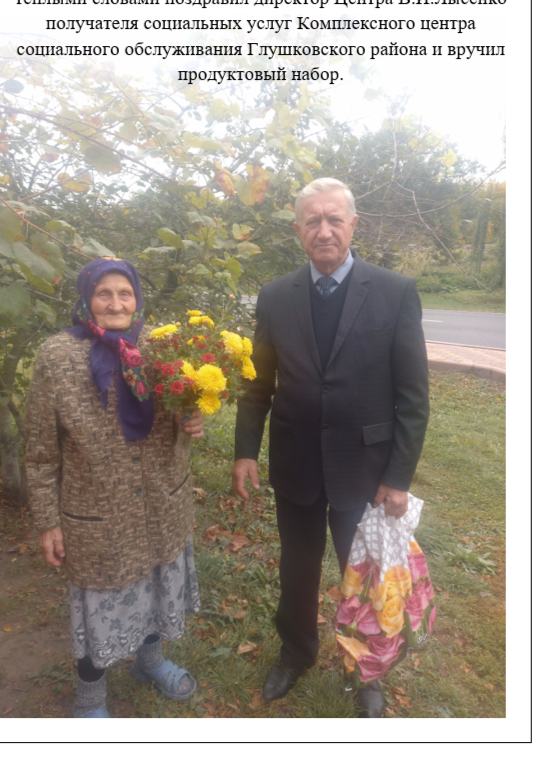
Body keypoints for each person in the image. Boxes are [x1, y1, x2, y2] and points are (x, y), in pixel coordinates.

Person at [232, 178, 430, 717]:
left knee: (364, 573)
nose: (324, 230)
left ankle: (368, 670)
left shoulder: (394, 291)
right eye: (313, 221)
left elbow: (413, 397)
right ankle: (296, 652)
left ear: (352, 224)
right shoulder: (276, 296)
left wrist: (398, 477)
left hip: (365, 468)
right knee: (297, 567)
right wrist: (245, 451)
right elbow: (258, 383)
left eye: (334, 219)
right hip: (295, 460)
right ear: (298, 229)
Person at [25, 257, 203, 718]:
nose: (116, 303)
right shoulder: (57, 357)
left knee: (156, 585)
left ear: (137, 298)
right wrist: (47, 522)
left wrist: (190, 421)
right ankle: (90, 698)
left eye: (125, 293)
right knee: (98, 605)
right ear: (87, 298)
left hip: (161, 501)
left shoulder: (161, 347)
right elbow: (40, 451)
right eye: (103, 293)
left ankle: (149, 661)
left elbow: (181, 421)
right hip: (98, 512)